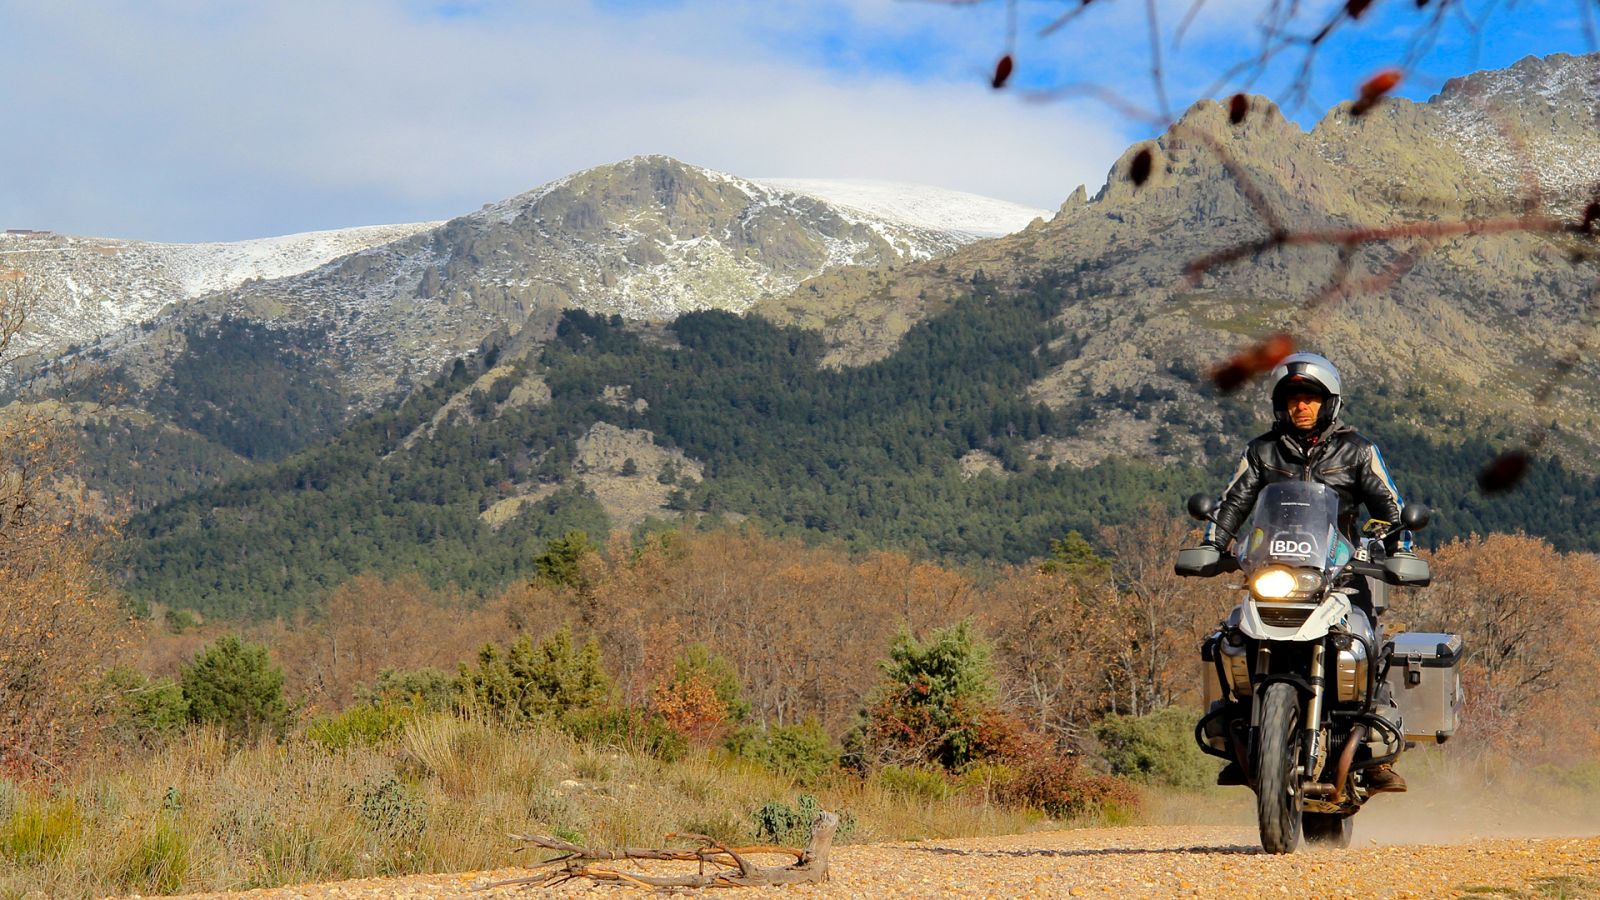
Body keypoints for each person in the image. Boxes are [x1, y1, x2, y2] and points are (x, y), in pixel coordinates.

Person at [1202, 351, 1413, 793]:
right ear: (1281, 403)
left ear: (1329, 402)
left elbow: (1389, 505)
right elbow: (1235, 502)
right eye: (1294, 397)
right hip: (1274, 569)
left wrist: (1400, 547)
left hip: (1341, 571)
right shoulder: (1262, 451)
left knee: (1363, 641)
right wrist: (1212, 543)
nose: (1302, 406)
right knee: (1230, 639)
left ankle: (1372, 746)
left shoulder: (1357, 451)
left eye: (1311, 398)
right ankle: (1237, 732)